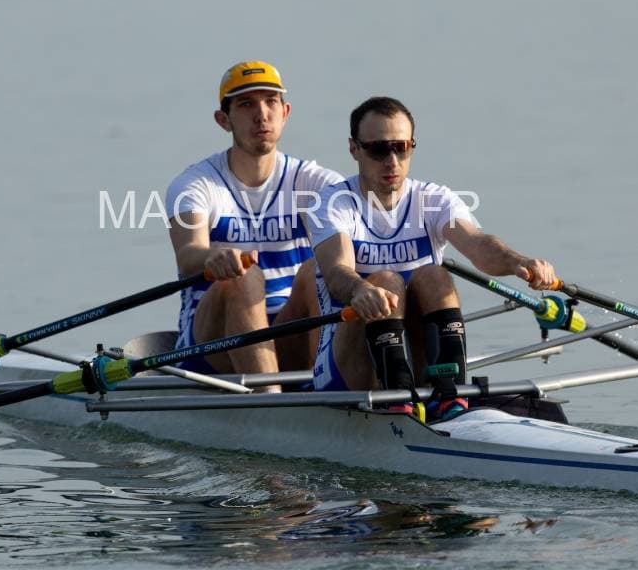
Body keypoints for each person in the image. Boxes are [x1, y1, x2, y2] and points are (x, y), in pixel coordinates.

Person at [310, 96, 558, 419]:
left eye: (401, 148)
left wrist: (517, 262)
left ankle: (450, 397)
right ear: (354, 149)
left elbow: (479, 245)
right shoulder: (333, 203)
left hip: (416, 364)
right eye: (379, 149)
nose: (392, 161)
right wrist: (360, 289)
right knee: (385, 282)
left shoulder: (434, 199)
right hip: (344, 373)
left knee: (434, 276)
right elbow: (337, 271)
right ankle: (398, 402)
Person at [166, 60, 343, 389]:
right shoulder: (196, 184)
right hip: (213, 346)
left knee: (316, 271)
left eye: (270, 101)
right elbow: (188, 254)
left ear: (285, 112)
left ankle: (332, 388)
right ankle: (271, 400)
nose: (261, 114)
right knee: (244, 276)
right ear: (223, 120)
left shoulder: (317, 182)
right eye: (246, 104)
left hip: (291, 334)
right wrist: (211, 257)